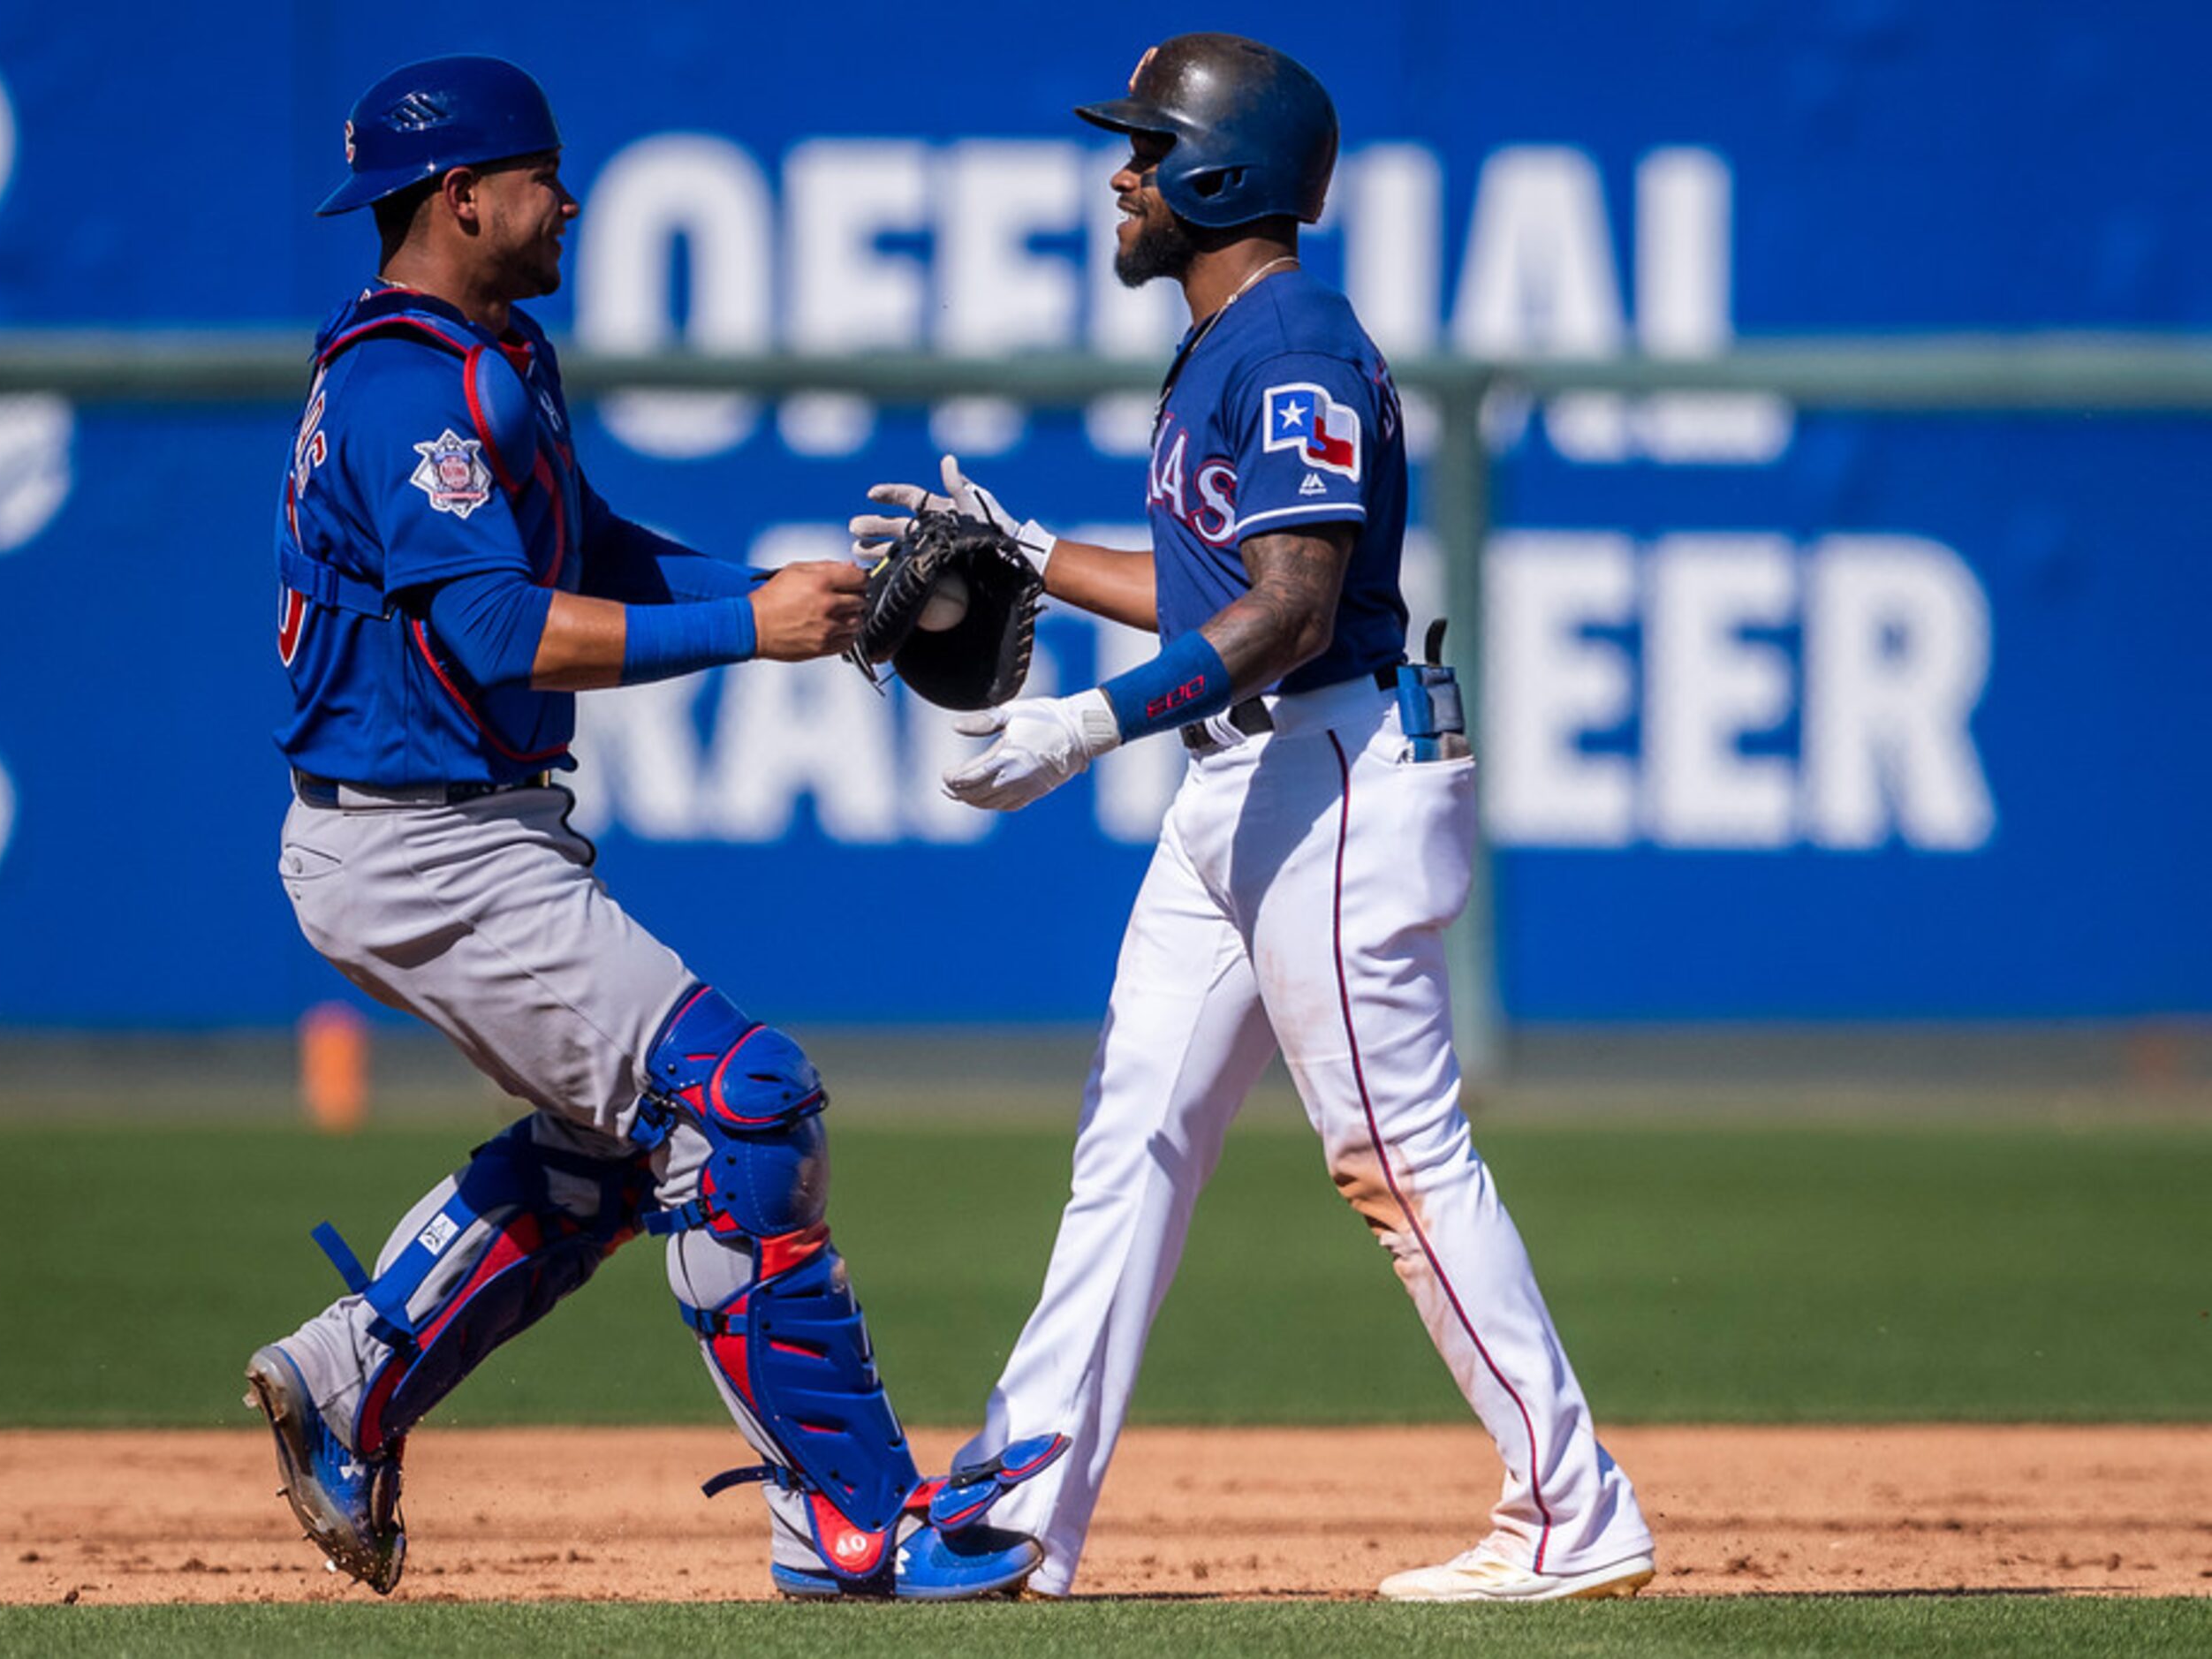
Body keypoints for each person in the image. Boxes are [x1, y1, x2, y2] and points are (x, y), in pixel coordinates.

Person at [850, 33, 1655, 1602]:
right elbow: (1217, 585)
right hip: (1245, 787)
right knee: (1131, 1135)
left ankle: (1572, 1507)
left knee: (1393, 1152)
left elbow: (1288, 610)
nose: (1121, 175)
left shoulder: (1290, 345)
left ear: (1221, 173)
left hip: (1332, 774)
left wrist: (1084, 724)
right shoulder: (1226, 343)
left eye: (1147, 150)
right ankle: (1021, 1512)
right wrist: (1035, 549)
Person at [248, 54, 1061, 1602]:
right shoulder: (410, 385)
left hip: (460, 829)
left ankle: (352, 1373)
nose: (570, 198)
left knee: (626, 1151)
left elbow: (592, 548)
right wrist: (748, 631)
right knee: (746, 1104)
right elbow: (494, 627)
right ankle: (850, 1520)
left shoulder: (494, 354)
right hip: (420, 845)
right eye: (542, 175)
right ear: (459, 198)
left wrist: (788, 600)